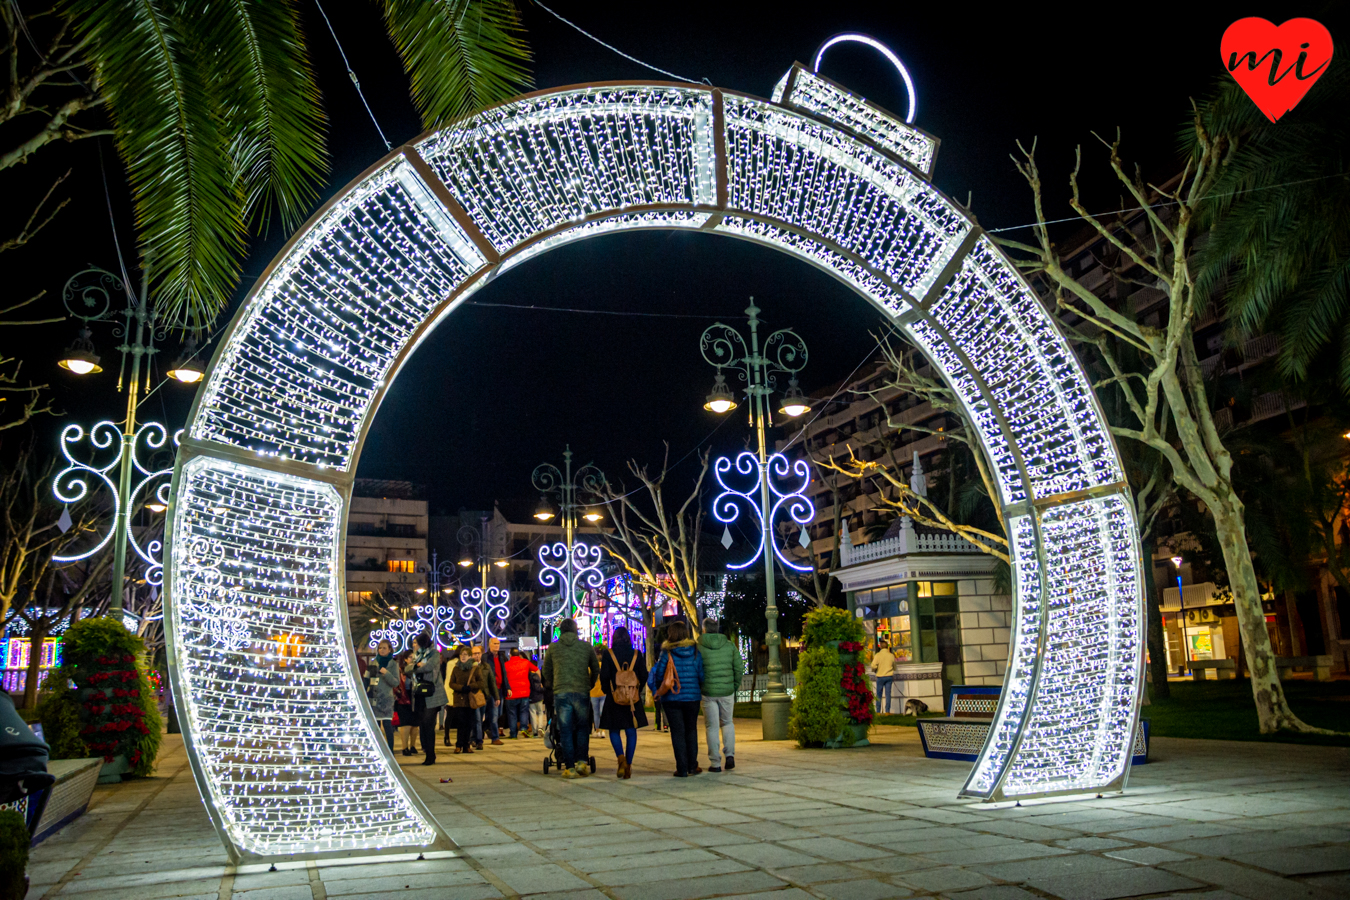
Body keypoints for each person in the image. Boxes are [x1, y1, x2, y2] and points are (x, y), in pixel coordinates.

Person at [542, 618, 600, 778]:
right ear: (576, 631)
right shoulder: (586, 647)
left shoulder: (553, 648)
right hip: (581, 692)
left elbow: (546, 671)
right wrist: (589, 684)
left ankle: (569, 767)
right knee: (582, 728)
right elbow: (596, 668)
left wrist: (555, 683)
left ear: (560, 631)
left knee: (565, 730)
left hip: (561, 693)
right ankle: (581, 761)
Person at [647, 619, 704, 777]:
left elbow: (659, 674)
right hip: (692, 698)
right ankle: (693, 766)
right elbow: (701, 674)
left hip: (672, 698)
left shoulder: (667, 652)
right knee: (691, 730)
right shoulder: (695, 651)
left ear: (671, 634)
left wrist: (659, 690)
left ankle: (682, 768)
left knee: (677, 732)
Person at [599, 626, 648, 779]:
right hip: (632, 699)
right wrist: (636, 690)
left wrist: (609, 691)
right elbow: (643, 675)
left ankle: (620, 758)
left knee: (614, 730)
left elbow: (604, 676)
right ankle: (628, 764)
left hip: (614, 697)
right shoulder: (636, 654)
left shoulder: (609, 654)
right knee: (631, 730)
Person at [696, 619, 743, 773]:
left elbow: (696, 669)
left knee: (712, 726)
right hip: (727, 691)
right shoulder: (729, 646)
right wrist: (733, 686)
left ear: (704, 630)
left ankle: (715, 762)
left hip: (708, 692)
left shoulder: (699, 648)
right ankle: (730, 755)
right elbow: (738, 668)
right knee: (728, 723)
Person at [408, 633, 447, 765]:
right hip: (419, 694)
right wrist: (416, 666)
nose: (413, 645)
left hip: (432, 693)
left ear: (422, 643)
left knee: (429, 724)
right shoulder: (416, 656)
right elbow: (407, 668)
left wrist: (417, 667)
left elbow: (429, 667)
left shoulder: (434, 653)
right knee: (423, 725)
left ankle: (430, 755)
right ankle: (427, 750)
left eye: (415, 643)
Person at [446, 644, 486, 753]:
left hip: (470, 699)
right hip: (459, 699)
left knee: (469, 723)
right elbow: (451, 683)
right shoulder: (456, 668)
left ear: (470, 656)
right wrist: (461, 688)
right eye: (461, 654)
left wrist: (470, 687)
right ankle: (459, 745)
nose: (463, 656)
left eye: (466, 655)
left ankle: (466, 745)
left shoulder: (475, 668)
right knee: (460, 723)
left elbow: (481, 683)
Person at [366, 640, 399, 750]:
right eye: (380, 648)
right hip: (374, 698)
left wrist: (386, 673)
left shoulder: (393, 664)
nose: (382, 650)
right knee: (375, 727)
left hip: (386, 699)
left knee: (387, 726)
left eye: (384, 648)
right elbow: (366, 679)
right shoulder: (373, 662)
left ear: (390, 649)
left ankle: (390, 751)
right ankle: (377, 750)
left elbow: (395, 682)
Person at [503, 648, 538, 738]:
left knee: (512, 714)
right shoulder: (525, 662)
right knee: (524, 712)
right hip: (524, 692)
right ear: (518, 654)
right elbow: (536, 669)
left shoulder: (506, 664)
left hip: (511, 694)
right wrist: (539, 681)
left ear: (510, 655)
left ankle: (513, 734)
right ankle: (523, 728)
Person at [481, 638, 508, 746]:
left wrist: (507, 687)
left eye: (498, 643)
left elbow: (504, 673)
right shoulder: (486, 657)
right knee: (493, 715)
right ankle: (495, 737)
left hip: (500, 689)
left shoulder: (501, 657)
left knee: (496, 714)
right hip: (491, 689)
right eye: (495, 643)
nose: (497, 645)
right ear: (490, 645)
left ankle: (480, 729)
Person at [393, 649, 418, 756]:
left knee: (415, 724)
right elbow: (397, 684)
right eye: (411, 657)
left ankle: (413, 745)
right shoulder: (401, 671)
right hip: (403, 699)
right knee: (406, 724)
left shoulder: (417, 670)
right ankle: (404, 747)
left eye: (414, 657)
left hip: (415, 699)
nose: (413, 659)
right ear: (405, 659)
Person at [871, 640, 897, 715]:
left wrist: (875, 669)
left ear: (880, 646)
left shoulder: (878, 655)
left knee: (879, 694)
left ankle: (878, 711)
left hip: (880, 676)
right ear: (887, 647)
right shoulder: (891, 655)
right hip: (889, 676)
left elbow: (873, 665)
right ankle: (887, 711)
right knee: (888, 694)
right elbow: (894, 666)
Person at [528, 666, 547, 737]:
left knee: (532, 713)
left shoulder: (527, 675)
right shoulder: (535, 676)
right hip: (538, 697)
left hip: (530, 697)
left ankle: (534, 730)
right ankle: (540, 727)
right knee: (540, 712)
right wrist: (543, 689)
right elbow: (537, 688)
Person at [589, 669, 606, 736]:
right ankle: (597, 730)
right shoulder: (590, 668)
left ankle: (603, 730)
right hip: (594, 694)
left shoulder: (592, 667)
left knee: (601, 712)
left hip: (602, 693)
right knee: (596, 713)